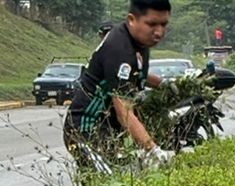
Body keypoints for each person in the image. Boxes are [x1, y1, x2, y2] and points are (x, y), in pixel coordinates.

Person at [65, 0, 171, 175]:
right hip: (85, 130)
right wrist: (152, 149)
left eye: (163, 24)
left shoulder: (139, 42)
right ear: (131, 20)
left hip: (108, 131)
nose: (159, 32)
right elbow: (124, 112)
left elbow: (137, 75)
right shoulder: (120, 49)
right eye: (152, 24)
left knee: (129, 181)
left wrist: (165, 85)